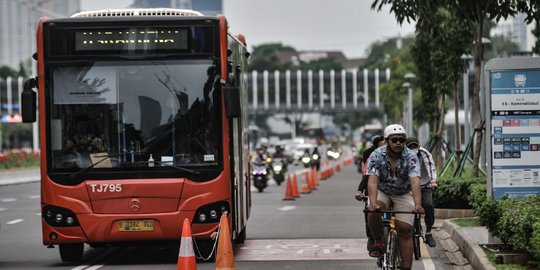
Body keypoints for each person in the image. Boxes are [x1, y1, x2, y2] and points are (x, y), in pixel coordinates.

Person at [366, 124, 424, 270]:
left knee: (405, 229)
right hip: (383, 190)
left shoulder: (410, 156)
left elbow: (415, 181)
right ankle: (378, 241)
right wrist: (373, 203)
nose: (398, 143)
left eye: (402, 140)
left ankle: (406, 266)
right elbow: (372, 180)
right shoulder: (376, 155)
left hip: (403, 193)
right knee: (373, 211)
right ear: (386, 141)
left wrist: (418, 205)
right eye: (394, 140)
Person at [355, 135, 386, 252]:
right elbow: (367, 176)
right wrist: (360, 190)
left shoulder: (403, 156)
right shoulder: (372, 157)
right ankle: (373, 237)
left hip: (393, 191)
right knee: (370, 210)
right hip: (374, 187)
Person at [406, 136, 438, 247]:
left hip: (424, 184)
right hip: (408, 187)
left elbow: (430, 167)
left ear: (418, 145)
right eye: (411, 146)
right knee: (407, 208)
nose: (413, 148)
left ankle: (428, 232)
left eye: (415, 146)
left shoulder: (425, 153)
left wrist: (433, 181)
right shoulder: (403, 155)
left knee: (428, 205)